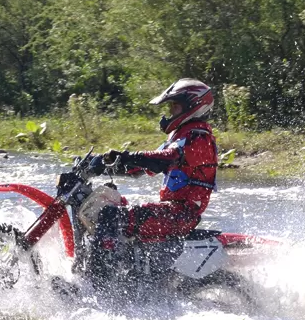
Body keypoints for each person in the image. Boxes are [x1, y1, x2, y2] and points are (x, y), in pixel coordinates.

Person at [91, 78, 218, 277]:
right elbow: (143, 167)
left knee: (111, 216)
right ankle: (120, 273)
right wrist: (102, 164)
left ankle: (98, 283)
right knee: (111, 206)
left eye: (175, 106)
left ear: (193, 106)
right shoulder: (180, 136)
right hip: (172, 212)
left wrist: (127, 155)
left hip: (181, 214)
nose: (170, 112)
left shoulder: (200, 137)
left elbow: (165, 159)